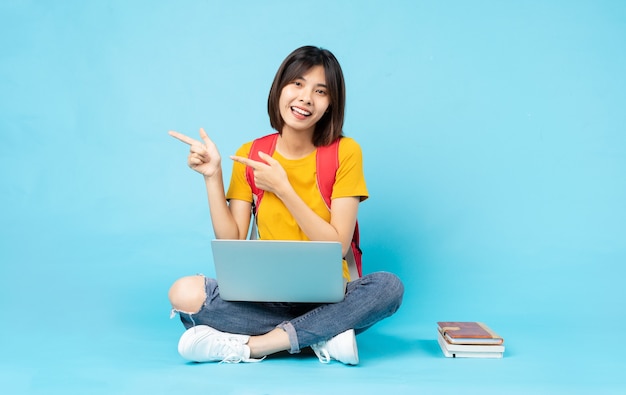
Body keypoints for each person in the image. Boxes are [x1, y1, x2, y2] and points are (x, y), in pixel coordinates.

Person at [168, 45, 404, 365]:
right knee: (183, 293)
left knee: (388, 287)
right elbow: (233, 241)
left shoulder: (345, 152)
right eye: (297, 84)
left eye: (320, 91)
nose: (306, 97)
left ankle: (254, 346)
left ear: (330, 104)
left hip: (330, 299)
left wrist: (284, 189)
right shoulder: (250, 154)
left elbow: (337, 244)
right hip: (266, 300)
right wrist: (213, 176)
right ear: (280, 88)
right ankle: (322, 337)